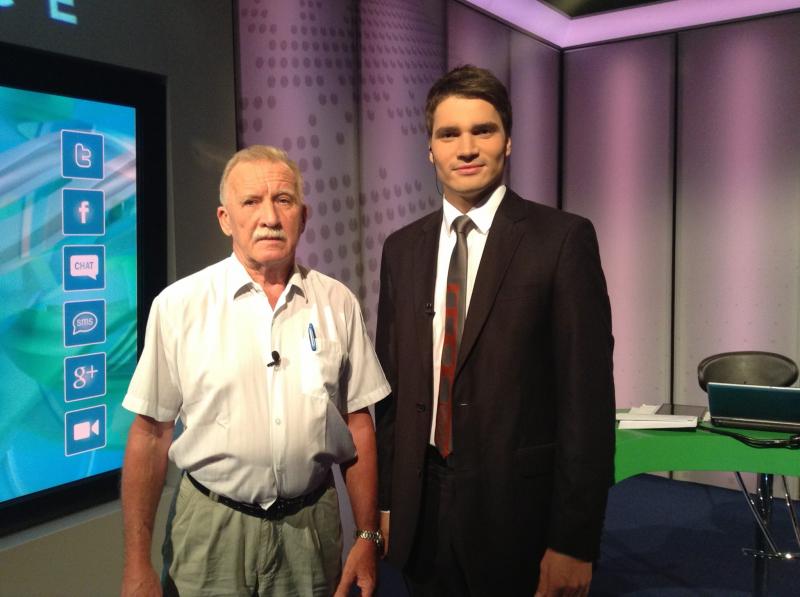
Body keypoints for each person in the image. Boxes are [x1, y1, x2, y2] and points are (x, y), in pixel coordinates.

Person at [374, 65, 615, 597]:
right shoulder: (402, 248)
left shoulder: (562, 240)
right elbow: (392, 390)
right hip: (422, 508)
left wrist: (575, 541)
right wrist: (388, 503)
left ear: (507, 141)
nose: (466, 148)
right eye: (449, 134)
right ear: (429, 150)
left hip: (518, 515)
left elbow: (588, 403)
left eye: (482, 130)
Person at [120, 145, 390, 597]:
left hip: (311, 530)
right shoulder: (178, 306)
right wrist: (136, 563)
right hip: (210, 530)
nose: (270, 217)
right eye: (251, 202)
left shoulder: (337, 302)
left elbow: (357, 423)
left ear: (303, 216)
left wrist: (366, 533)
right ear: (225, 219)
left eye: (283, 200)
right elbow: (149, 435)